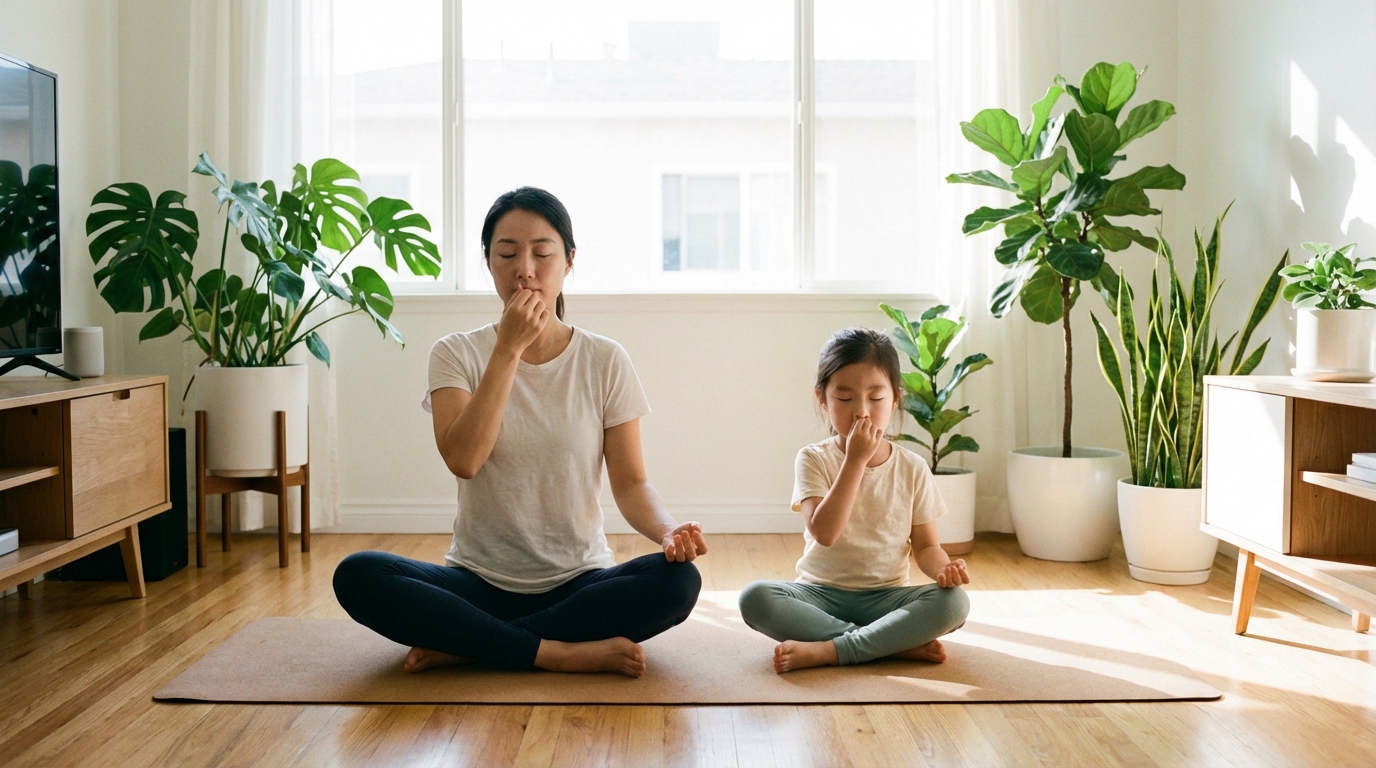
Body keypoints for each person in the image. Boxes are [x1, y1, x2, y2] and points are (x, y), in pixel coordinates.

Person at [333, 187, 707, 678]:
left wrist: (666, 532)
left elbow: (632, 483)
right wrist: (507, 351)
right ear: (489, 262)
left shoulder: (604, 359)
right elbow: (465, 459)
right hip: (477, 581)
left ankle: (471, 643)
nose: (525, 269)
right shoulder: (455, 353)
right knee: (358, 575)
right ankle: (556, 652)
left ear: (569, 261)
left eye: (542, 253)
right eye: (507, 253)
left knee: (676, 584)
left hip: (579, 580)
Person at [738, 327, 970, 673]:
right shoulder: (813, 458)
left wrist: (943, 569)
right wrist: (856, 460)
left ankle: (831, 649)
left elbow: (926, 546)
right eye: (844, 399)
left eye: (875, 398)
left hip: (886, 599)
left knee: (953, 604)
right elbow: (825, 533)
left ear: (895, 398)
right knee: (755, 598)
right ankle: (886, 644)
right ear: (822, 399)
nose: (861, 412)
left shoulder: (913, 466)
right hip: (819, 596)